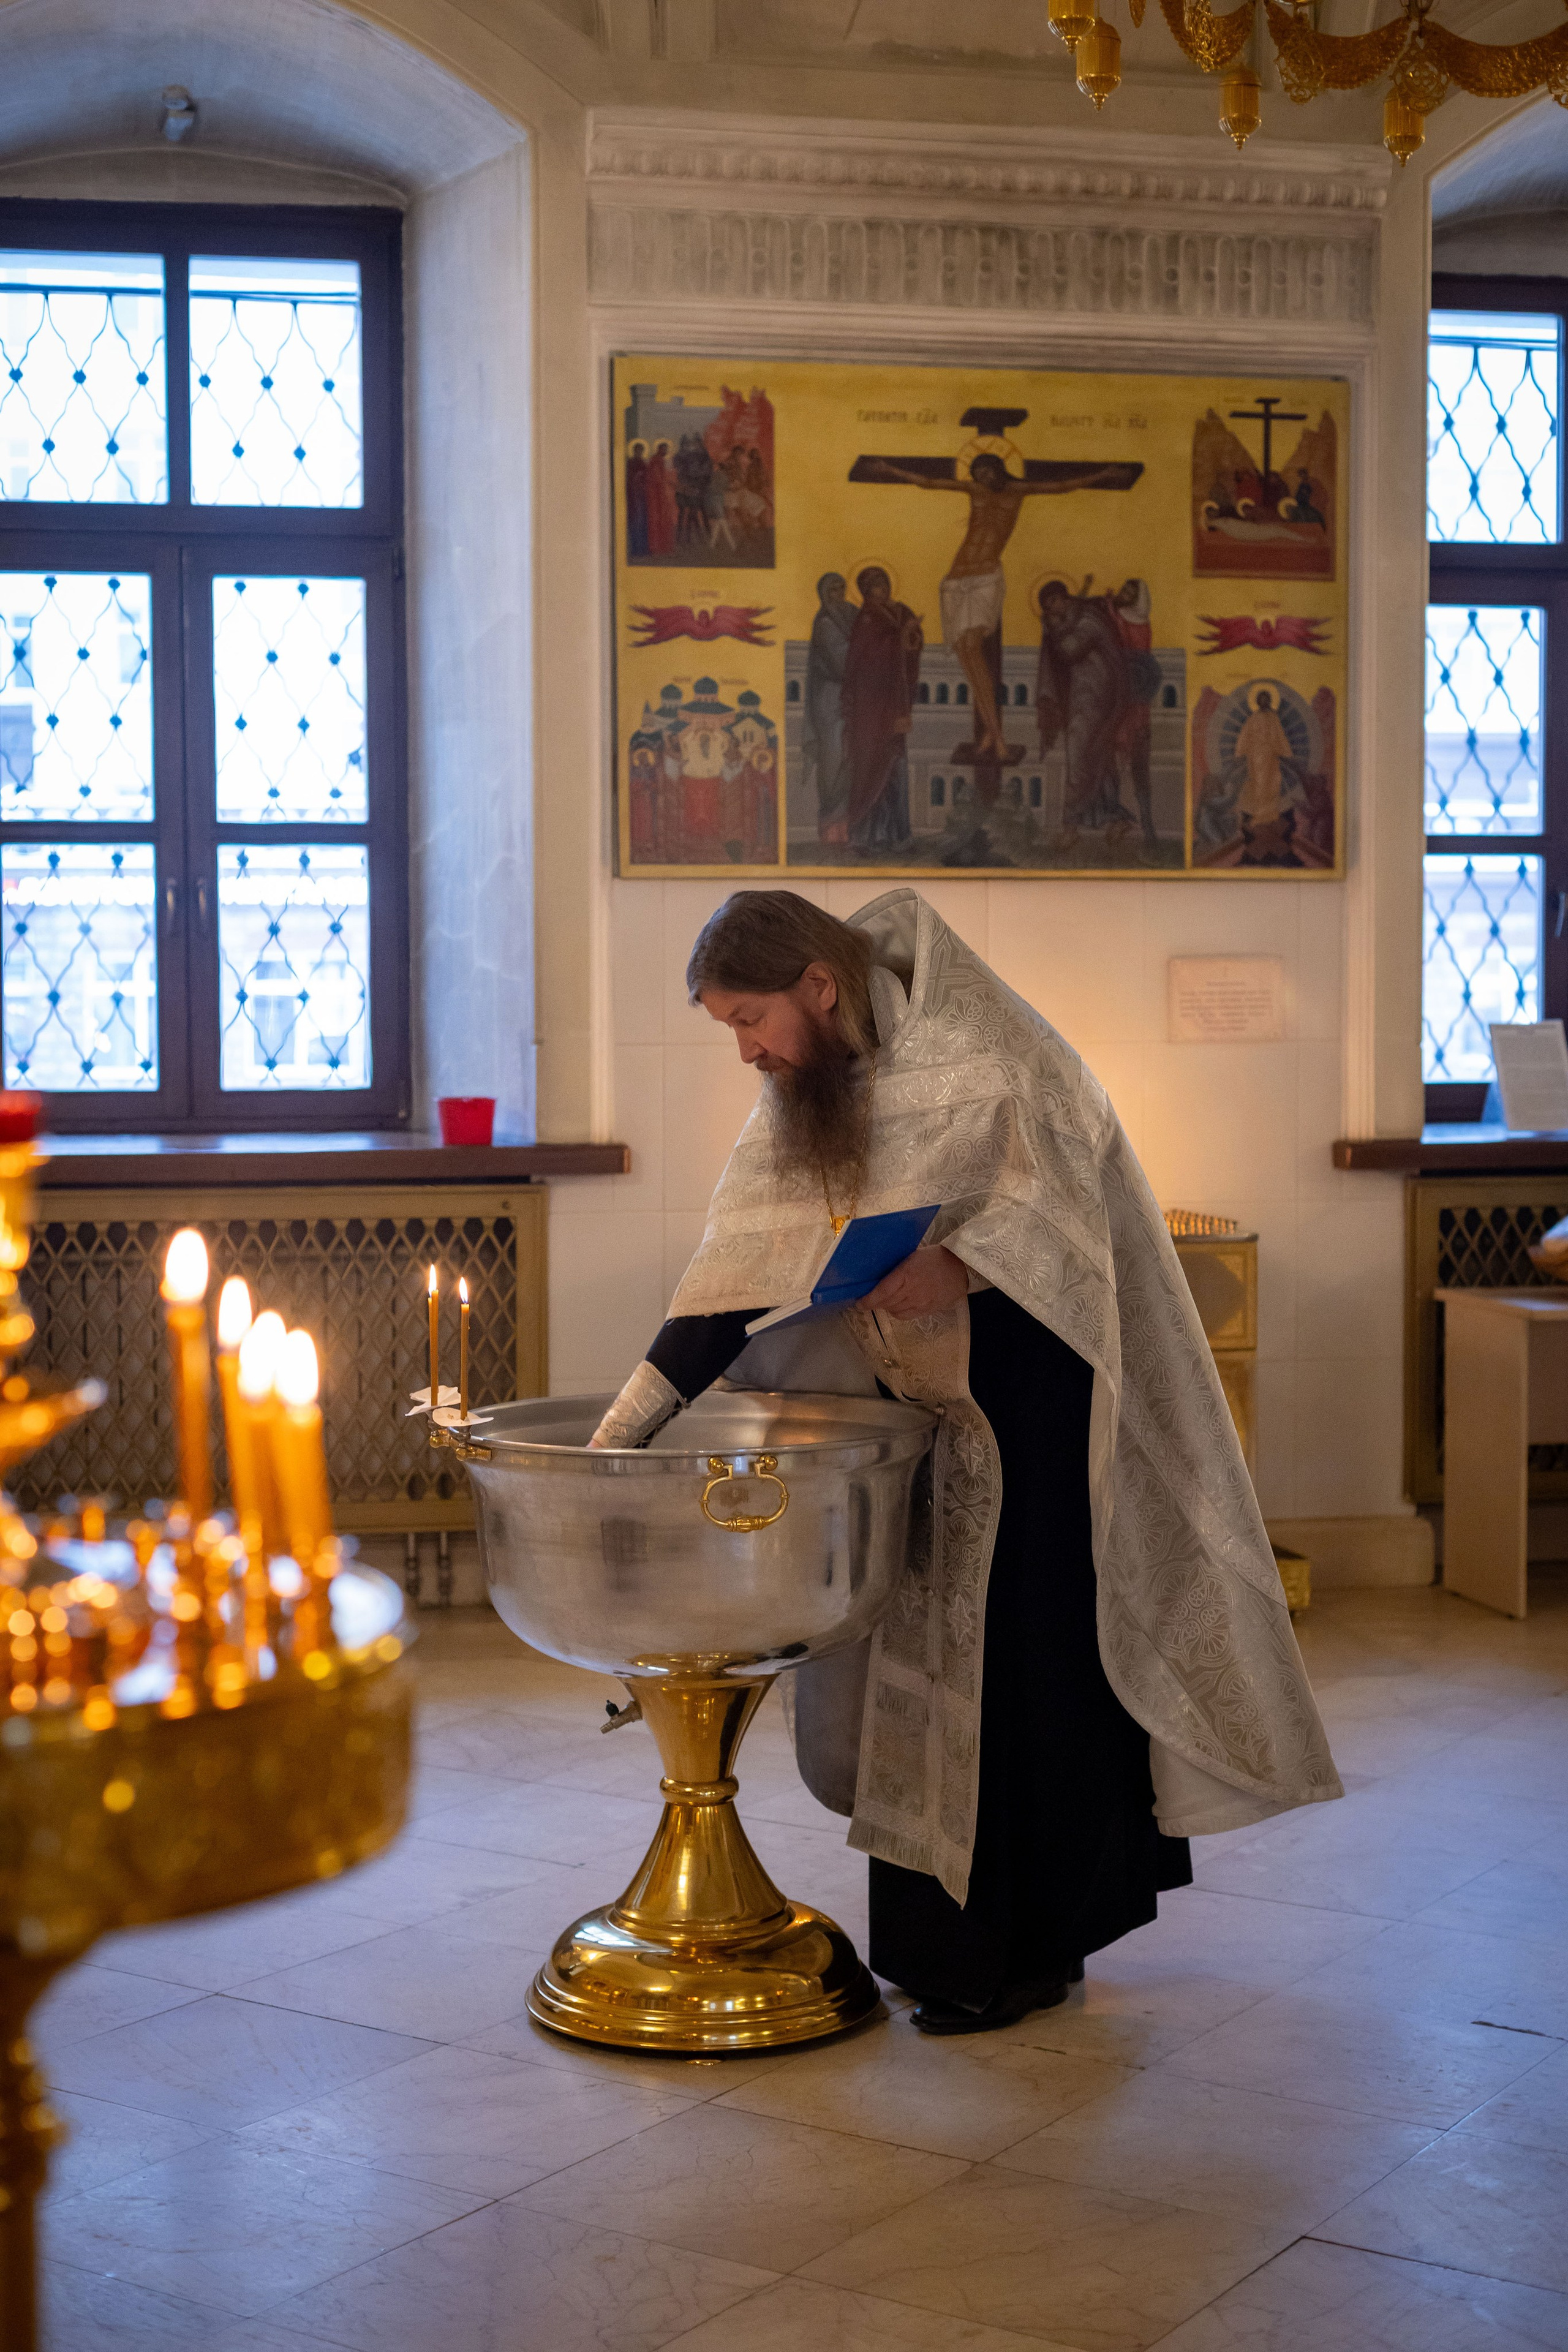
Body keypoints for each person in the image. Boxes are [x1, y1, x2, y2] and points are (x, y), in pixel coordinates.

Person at [590, 890, 1341, 2035]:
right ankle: (947, 1951)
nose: (746, 1052)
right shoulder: (807, 1093)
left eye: (750, 1019)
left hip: (1040, 1419)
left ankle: (1025, 1956)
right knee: (925, 1678)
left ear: (818, 988)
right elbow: (733, 1278)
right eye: (728, 1030)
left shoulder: (984, 1055)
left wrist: (970, 1269)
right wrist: (618, 1436)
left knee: (1030, 1680)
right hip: (926, 1427)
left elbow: (1081, 1241)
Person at [865, 451, 1120, 764]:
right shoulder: (975, 491)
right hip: (957, 577)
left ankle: (997, 737)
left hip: (985, 576)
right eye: (979, 474)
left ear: (1000, 468)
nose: (984, 479)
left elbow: (1063, 485)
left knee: (972, 645)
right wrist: (890, 469)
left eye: (987, 472)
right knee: (964, 651)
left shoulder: (1019, 490)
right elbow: (931, 483)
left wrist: (1103, 475)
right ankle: (992, 731)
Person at [842, 567, 921, 853]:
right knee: (870, 767)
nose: (883, 589)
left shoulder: (900, 612)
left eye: (885, 583)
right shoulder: (866, 621)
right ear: (865, 591)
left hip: (895, 704)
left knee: (896, 768)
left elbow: (912, 646)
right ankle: (865, 836)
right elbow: (862, 663)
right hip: (870, 710)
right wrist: (898, 639)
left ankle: (898, 836)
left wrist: (911, 637)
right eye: (876, 585)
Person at [802, 571, 857, 847]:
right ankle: (830, 828)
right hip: (830, 699)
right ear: (824, 595)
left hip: (851, 700)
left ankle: (846, 829)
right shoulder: (825, 623)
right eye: (832, 591)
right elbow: (841, 663)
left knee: (851, 758)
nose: (838, 595)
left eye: (841, 589)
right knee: (834, 758)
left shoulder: (851, 615)